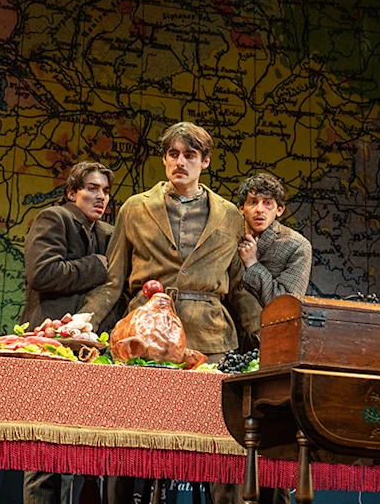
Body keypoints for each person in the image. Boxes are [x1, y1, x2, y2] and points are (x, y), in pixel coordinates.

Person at [80, 121, 259, 504]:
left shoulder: (229, 215)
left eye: (190, 155)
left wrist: (266, 336)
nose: (181, 162)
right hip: (144, 338)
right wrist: (85, 321)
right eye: (174, 154)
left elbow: (239, 288)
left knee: (219, 448)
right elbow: (113, 280)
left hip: (210, 339)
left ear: (205, 162)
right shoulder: (135, 208)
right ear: (164, 159)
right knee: (129, 444)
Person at [21, 160, 114, 504]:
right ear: (72, 192)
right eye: (91, 188)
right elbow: (42, 273)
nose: (100, 196)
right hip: (50, 345)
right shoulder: (55, 218)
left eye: (105, 190)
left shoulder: (107, 234)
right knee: (46, 451)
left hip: (91, 351)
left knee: (83, 449)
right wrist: (98, 266)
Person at [235, 173, 311, 307]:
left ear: (279, 210)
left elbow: (287, 304)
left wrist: (253, 265)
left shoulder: (297, 246)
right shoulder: (228, 236)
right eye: (253, 202)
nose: (259, 210)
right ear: (241, 209)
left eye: (268, 203)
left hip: (268, 325)